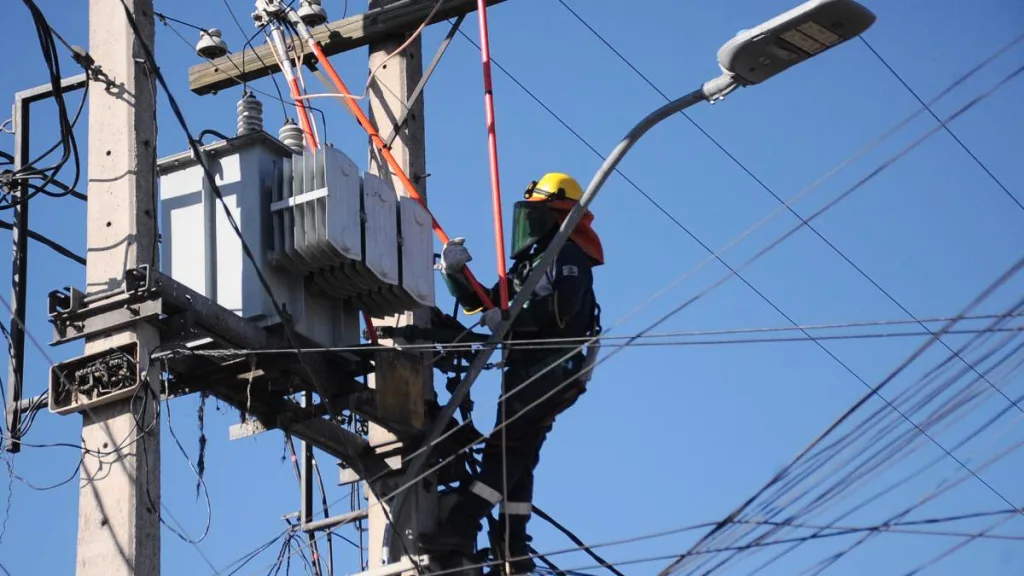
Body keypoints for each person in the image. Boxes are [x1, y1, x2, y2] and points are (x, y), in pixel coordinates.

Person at [421, 172, 604, 574]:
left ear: (556, 213)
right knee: (518, 456)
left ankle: (461, 525)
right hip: (528, 372)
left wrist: (508, 318)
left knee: (504, 451)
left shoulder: (567, 256)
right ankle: (513, 547)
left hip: (552, 370)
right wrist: (454, 273)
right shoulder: (531, 265)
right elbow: (481, 302)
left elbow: (559, 311)